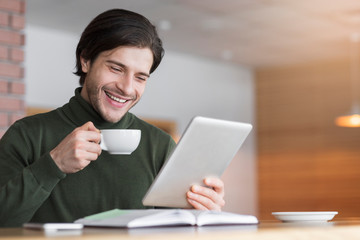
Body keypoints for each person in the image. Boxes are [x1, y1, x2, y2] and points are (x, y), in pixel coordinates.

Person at [0, 9, 225, 227]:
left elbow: (169, 231)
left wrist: (199, 216)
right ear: (86, 60)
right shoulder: (27, 134)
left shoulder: (160, 146)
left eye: (140, 77)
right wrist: (53, 165)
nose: (127, 88)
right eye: (116, 68)